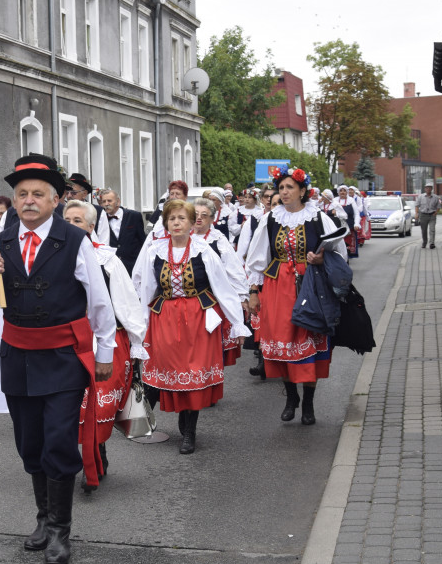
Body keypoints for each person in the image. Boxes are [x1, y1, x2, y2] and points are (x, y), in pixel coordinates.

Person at [0, 153, 116, 564]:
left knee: (58, 440)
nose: (29, 201)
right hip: (17, 355)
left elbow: (99, 302)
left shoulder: (75, 241)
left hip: (62, 358)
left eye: (39, 194)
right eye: (22, 194)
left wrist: (104, 352)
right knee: (29, 442)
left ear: (56, 200)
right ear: (14, 200)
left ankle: (60, 530)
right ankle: (42, 518)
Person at [132, 199, 249, 454]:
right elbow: (145, 290)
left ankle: (189, 431)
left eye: (181, 218)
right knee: (169, 371)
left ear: (191, 223)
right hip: (164, 320)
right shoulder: (154, 251)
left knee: (193, 372)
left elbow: (222, 288)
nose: (176, 223)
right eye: (172, 219)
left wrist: (238, 324)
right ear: (166, 223)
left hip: (197, 319)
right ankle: (146, 418)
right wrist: (137, 331)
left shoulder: (204, 250)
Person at [245, 167, 347, 426]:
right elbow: (257, 260)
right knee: (283, 343)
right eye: (281, 188)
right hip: (278, 286)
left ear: (303, 191)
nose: (285, 192)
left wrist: (322, 257)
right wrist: (254, 293)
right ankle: (291, 398)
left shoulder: (317, 217)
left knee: (308, 340)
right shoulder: (270, 220)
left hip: (310, 286)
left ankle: (309, 403)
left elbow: (340, 253)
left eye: (290, 187)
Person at [62, 200, 148, 493]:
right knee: (73, 405)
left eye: (78, 220)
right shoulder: (53, 256)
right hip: (69, 341)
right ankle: (81, 460)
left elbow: (127, 302)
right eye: (67, 219)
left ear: (90, 226)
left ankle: (97, 452)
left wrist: (137, 343)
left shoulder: (108, 260)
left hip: (106, 342)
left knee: (100, 404)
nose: (71, 224)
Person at [192, 198, 250, 369]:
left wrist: (241, 296)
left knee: (210, 346)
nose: (199, 218)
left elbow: (233, 269)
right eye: (195, 214)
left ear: (212, 219)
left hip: (212, 298)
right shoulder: (181, 238)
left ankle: (209, 381)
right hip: (188, 299)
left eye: (204, 215)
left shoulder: (218, 240)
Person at [99, 187, 147, 275]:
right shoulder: (100, 220)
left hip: (132, 266)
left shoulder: (134, 216)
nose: (106, 204)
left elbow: (142, 241)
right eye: (104, 201)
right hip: (112, 268)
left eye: (109, 201)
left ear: (118, 201)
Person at [63, 173, 110, 244]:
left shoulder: (99, 212)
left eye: (73, 193)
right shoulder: (60, 210)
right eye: (67, 192)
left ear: (84, 194)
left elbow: (104, 242)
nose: (69, 196)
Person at [336, 185, 361, 259]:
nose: (342, 192)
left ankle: (347, 258)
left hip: (349, 226)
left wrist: (356, 224)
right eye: (341, 191)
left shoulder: (351, 201)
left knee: (347, 245)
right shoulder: (335, 201)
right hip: (337, 226)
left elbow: (356, 213)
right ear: (338, 192)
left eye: (344, 191)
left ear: (347, 192)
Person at [417, 181, 441, 248]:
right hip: (423, 215)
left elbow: (438, 206)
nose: (428, 189)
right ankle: (424, 242)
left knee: (432, 229)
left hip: (432, 215)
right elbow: (417, 205)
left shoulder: (436, 197)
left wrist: (436, 213)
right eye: (427, 188)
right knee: (424, 230)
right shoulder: (421, 197)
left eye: (430, 188)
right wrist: (417, 214)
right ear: (425, 189)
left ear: (432, 189)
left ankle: (432, 243)